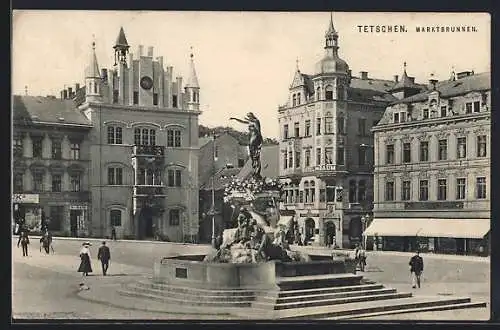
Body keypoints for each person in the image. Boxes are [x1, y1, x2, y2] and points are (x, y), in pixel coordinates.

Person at [230, 112, 263, 179]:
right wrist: (235, 119)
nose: (249, 118)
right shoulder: (250, 121)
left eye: (249, 116)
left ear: (252, 116)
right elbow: (242, 121)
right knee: (252, 152)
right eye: (248, 117)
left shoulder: (256, 121)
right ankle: (254, 165)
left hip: (255, 135)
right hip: (251, 136)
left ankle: (256, 170)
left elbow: (259, 131)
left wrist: (260, 141)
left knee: (253, 148)